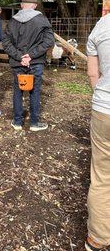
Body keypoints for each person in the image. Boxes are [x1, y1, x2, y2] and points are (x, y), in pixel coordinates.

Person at [2, 0, 54, 132]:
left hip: (17, 63)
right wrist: (30, 56)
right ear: (35, 6)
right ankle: (34, 123)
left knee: (18, 92)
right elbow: (49, 41)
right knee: (35, 91)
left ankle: (17, 122)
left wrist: (20, 57)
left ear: (21, 5)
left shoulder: (12, 21)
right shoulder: (42, 20)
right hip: (35, 62)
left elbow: (6, 43)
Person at [85, 13, 110, 251]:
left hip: (105, 109)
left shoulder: (102, 25)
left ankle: (98, 238)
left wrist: (100, 97)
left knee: (102, 177)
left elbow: (93, 73)